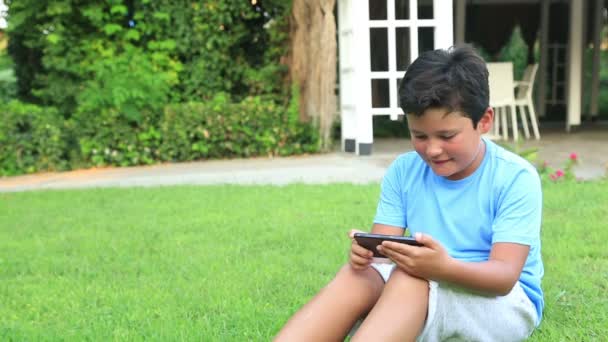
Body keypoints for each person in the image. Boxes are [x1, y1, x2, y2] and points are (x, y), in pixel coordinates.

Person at [274, 45, 544, 341]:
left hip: (502, 303)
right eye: (419, 135)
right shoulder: (404, 171)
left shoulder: (515, 177)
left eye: (447, 136)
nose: (433, 149)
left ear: (484, 121)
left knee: (409, 278)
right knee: (358, 276)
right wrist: (366, 254)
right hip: (422, 281)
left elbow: (504, 278)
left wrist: (443, 268)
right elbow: (383, 256)